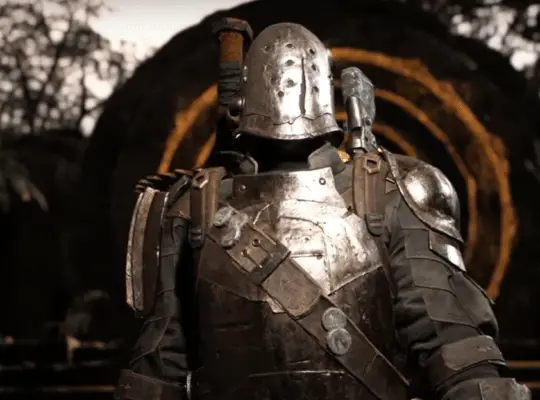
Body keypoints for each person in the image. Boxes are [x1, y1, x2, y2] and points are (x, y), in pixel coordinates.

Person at [114, 22, 530, 400]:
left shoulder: (192, 205)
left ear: (243, 95)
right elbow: (455, 349)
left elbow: (159, 366)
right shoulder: (195, 206)